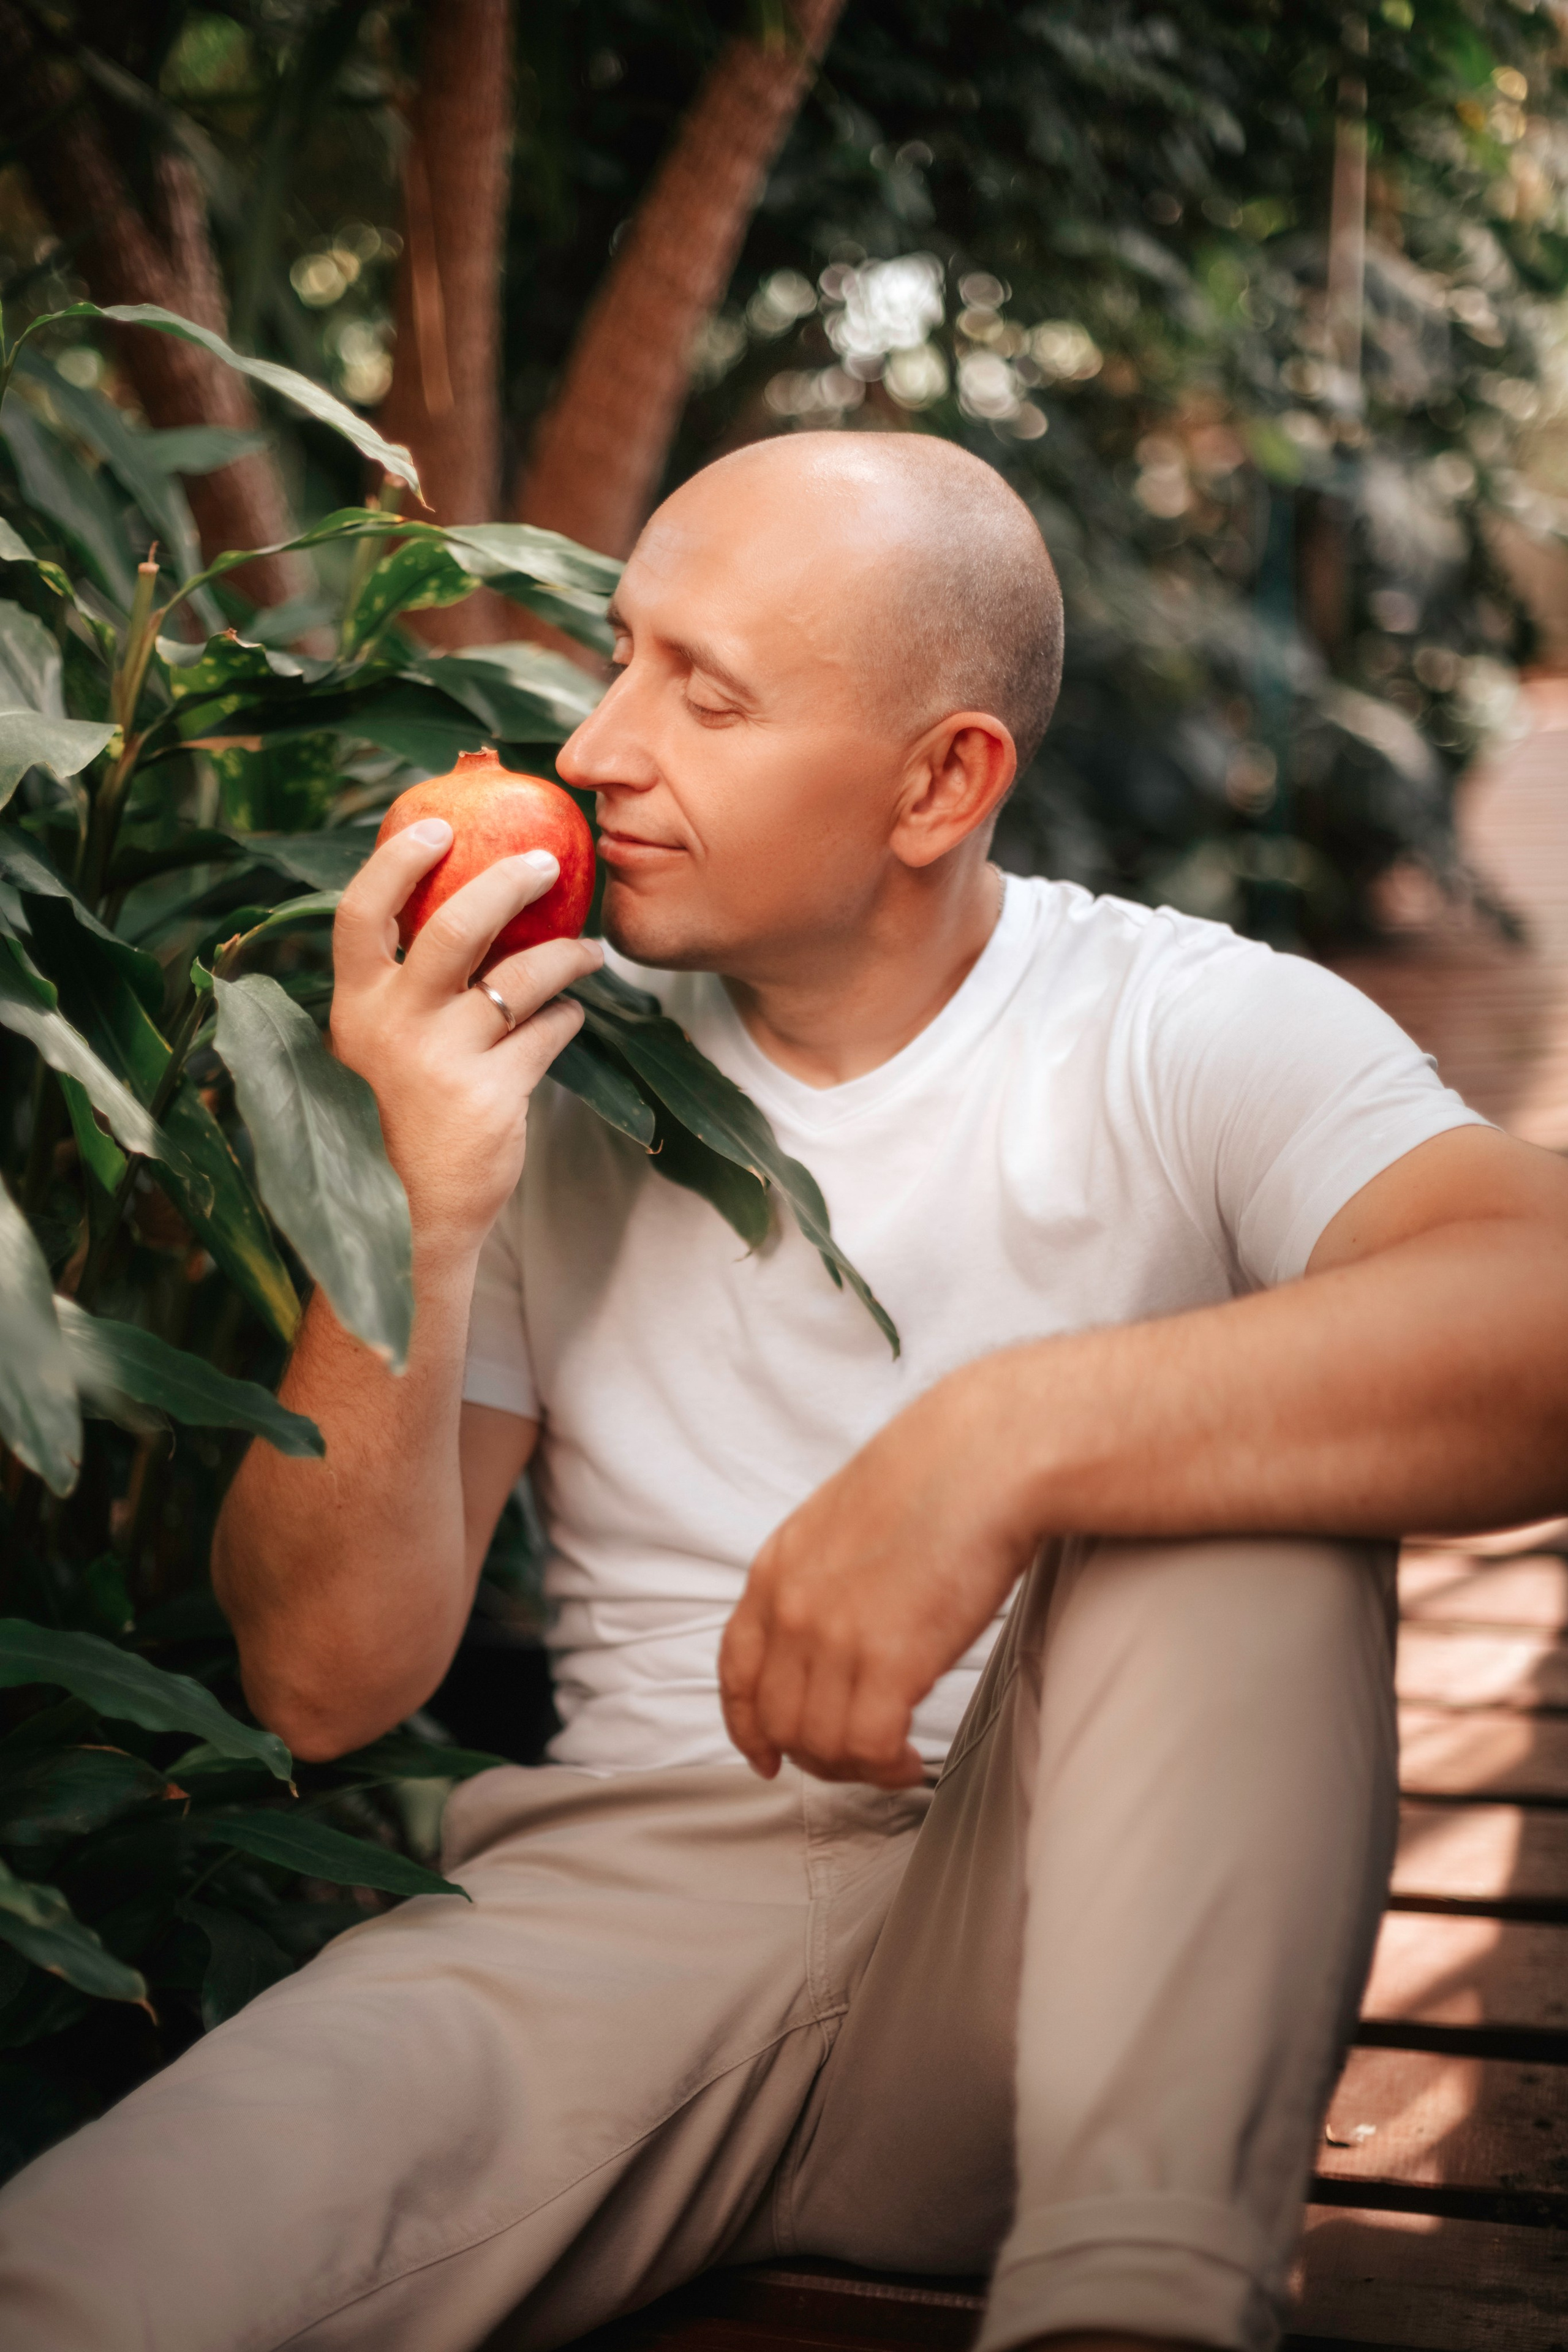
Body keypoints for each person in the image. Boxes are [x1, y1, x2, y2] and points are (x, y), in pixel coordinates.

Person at [3, 432, 1567, 2352]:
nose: (597, 747)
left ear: (939, 781)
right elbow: (323, 1680)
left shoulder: (1182, 1023)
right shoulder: (546, 1059)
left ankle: (1137, 2313)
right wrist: (412, 1192)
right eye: (624, 656)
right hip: (619, 1923)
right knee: (76, 2282)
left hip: (1074, 1946)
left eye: (709, 696)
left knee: (1229, 1464)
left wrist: (1000, 1441)